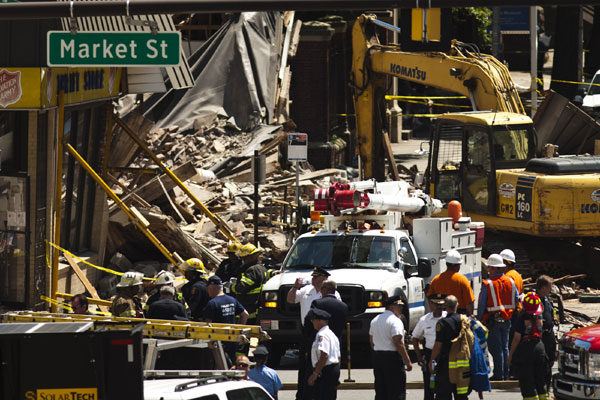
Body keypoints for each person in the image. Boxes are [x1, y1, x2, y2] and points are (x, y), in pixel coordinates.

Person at [287, 267, 341, 400]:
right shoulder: (306, 290)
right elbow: (290, 300)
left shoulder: (333, 294)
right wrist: (294, 287)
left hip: (323, 330)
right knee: (305, 364)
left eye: (316, 277)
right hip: (308, 332)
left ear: (324, 279)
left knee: (323, 360)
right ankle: (303, 394)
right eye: (313, 277)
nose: (313, 279)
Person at [477, 253, 519, 381]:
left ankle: (499, 374)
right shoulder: (510, 281)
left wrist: (479, 320)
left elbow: (482, 304)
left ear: (495, 268)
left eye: (490, 267)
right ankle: (505, 373)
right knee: (505, 347)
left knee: (496, 348)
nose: (488, 269)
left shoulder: (488, 284)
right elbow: (516, 299)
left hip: (492, 320)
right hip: (507, 320)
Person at [369, 295, 412, 400]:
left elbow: (371, 341)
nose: (401, 309)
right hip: (392, 359)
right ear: (392, 306)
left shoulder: (375, 320)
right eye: (399, 306)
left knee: (381, 390)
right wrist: (407, 361)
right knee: (396, 390)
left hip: (378, 357)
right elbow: (398, 342)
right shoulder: (395, 321)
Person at [507, 292, 549, 400]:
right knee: (540, 378)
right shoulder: (540, 316)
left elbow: (516, 338)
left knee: (527, 381)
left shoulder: (521, 318)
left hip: (526, 350)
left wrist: (510, 355)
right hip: (540, 347)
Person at [203, 275, 248, 363]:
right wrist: (239, 331)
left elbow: (207, 324)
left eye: (208, 288)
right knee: (231, 364)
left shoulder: (212, 303)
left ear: (212, 287)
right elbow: (245, 314)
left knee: (219, 366)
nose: (207, 291)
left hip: (218, 342)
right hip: (232, 339)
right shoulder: (232, 300)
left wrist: (209, 342)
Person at [428, 295, 466, 400]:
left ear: (445, 306)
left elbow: (438, 345)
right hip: (462, 362)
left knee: (443, 394)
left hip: (446, 364)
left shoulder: (442, 323)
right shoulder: (464, 321)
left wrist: (431, 360)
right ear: (457, 305)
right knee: (461, 394)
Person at [412, 293, 447, 400]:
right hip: (429, 354)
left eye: (441, 304)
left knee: (444, 387)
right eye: (436, 304)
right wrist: (419, 356)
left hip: (445, 355)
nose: (439, 307)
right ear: (430, 304)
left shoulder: (448, 317)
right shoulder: (424, 320)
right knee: (429, 386)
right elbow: (415, 338)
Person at [427, 249, 475, 315]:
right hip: (459, 315)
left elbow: (430, 299)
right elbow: (469, 303)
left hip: (441, 315)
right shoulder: (462, 280)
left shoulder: (436, 280)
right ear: (457, 266)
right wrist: (470, 317)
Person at [230, 243, 269, 324]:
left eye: (245, 258)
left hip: (249, 306)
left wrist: (231, 287)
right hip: (255, 306)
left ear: (252, 257)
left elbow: (241, 288)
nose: (244, 260)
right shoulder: (262, 268)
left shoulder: (252, 270)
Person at [308, 308, 341, 400]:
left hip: (325, 371)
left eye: (313, 320)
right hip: (333, 369)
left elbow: (324, 355)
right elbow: (338, 357)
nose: (312, 322)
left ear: (319, 321)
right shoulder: (332, 335)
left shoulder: (322, 335)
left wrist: (315, 373)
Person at [536, 275, 557, 388]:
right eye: (549, 287)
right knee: (543, 363)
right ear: (543, 288)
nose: (551, 290)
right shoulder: (535, 301)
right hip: (542, 336)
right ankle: (542, 386)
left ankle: (547, 385)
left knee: (550, 361)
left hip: (550, 335)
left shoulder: (546, 300)